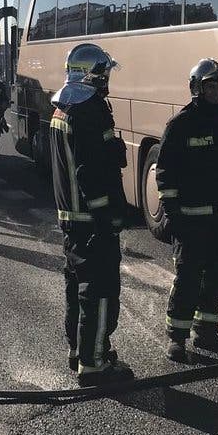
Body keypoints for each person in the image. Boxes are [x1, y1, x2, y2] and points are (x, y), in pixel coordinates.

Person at [156, 59, 218, 362]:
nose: (216, 92)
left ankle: (207, 334)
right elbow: (165, 173)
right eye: (210, 86)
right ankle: (177, 338)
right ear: (197, 88)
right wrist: (171, 212)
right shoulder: (180, 125)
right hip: (190, 220)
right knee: (188, 278)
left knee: (216, 277)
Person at [50, 43, 132, 386]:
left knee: (76, 285)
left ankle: (80, 349)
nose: (107, 79)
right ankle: (94, 364)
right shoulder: (89, 110)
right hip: (90, 220)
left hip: (71, 217)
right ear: (92, 74)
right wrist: (105, 218)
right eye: (104, 73)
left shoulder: (64, 106)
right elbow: (91, 171)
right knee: (98, 289)